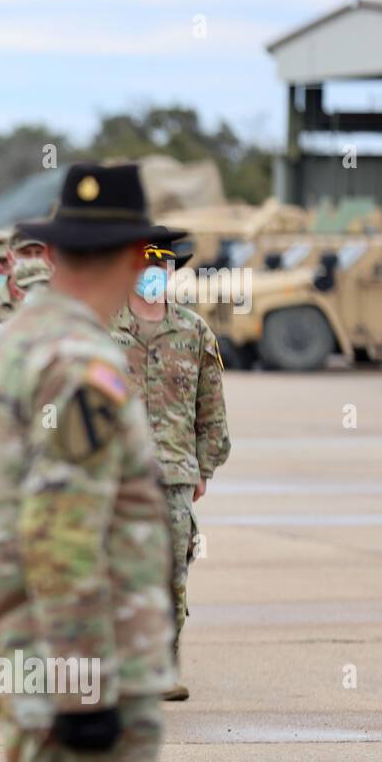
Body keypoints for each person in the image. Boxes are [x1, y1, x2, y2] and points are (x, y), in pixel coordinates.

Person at [0, 162, 178, 762]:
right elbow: (60, 531)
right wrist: (86, 691)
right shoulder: (81, 362)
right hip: (81, 667)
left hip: (34, 653)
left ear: (51, 253)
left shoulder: (22, 341)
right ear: (136, 254)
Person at [110, 227, 230, 701]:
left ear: (171, 271)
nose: (152, 274)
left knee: (170, 574)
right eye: (144, 266)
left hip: (176, 474)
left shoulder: (193, 330)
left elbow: (211, 404)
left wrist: (206, 467)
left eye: (160, 267)